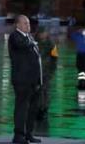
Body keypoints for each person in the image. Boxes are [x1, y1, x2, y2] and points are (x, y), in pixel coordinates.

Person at [9, 15, 42, 144]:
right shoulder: (15, 36)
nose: (28, 25)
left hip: (33, 80)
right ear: (17, 25)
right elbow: (22, 45)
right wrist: (32, 42)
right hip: (22, 80)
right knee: (22, 108)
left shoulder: (29, 37)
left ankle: (29, 133)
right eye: (24, 23)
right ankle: (18, 135)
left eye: (28, 23)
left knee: (32, 109)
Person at [36, 28, 58, 120]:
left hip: (46, 72)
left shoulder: (51, 44)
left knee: (45, 91)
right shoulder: (34, 43)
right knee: (37, 92)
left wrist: (52, 70)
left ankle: (44, 109)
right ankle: (37, 109)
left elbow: (55, 57)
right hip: (36, 72)